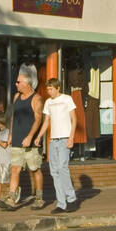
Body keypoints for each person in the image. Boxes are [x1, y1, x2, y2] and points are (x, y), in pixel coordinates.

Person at [3, 64, 44, 209]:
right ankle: (12, 199)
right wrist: (11, 135)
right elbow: (14, 117)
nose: (16, 84)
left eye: (18, 82)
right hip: (16, 139)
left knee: (35, 169)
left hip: (30, 142)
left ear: (27, 83)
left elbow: (38, 120)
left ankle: (39, 198)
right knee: (15, 169)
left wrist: (30, 137)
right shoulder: (16, 97)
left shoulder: (37, 99)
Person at [37, 77, 78, 212]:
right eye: (48, 89)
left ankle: (71, 198)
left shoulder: (67, 99)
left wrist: (71, 137)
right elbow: (46, 121)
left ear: (58, 88)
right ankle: (61, 203)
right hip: (53, 140)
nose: (49, 92)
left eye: (51, 89)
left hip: (64, 138)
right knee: (54, 171)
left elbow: (74, 119)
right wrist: (39, 136)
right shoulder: (48, 102)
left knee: (62, 167)